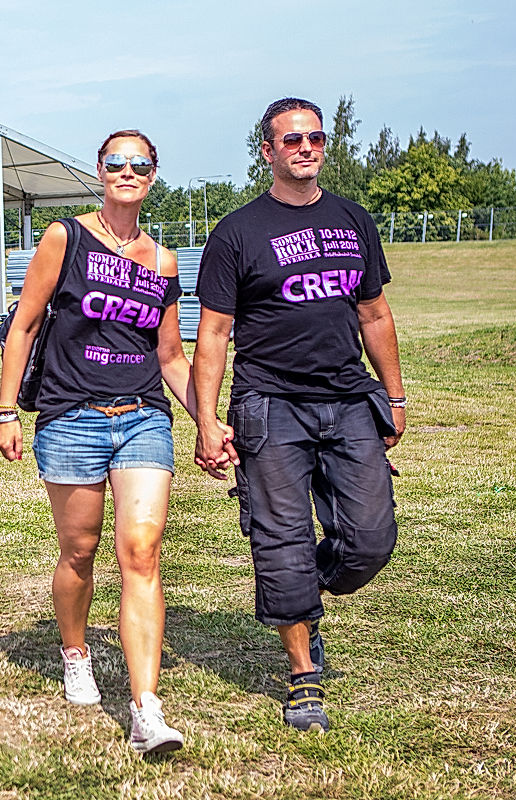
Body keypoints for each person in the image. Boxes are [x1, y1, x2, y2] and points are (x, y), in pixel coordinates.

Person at [0, 130, 232, 754]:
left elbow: (172, 356)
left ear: (154, 175)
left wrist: (207, 420)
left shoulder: (164, 262)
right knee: (80, 551)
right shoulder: (63, 238)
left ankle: (146, 709)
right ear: (100, 171)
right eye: (117, 163)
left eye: (140, 164)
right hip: (71, 415)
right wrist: (4, 411)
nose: (128, 171)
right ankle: (75, 652)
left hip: (144, 416)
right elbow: (22, 326)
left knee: (141, 549)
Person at [192, 98, 406, 733]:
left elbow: (374, 313)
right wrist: (207, 420)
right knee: (281, 540)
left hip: (348, 398)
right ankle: (303, 672)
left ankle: (300, 584)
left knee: (370, 540)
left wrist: (393, 397)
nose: (305, 148)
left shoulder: (353, 219)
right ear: (268, 152)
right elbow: (214, 333)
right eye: (291, 140)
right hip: (270, 404)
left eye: (314, 137)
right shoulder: (237, 231)